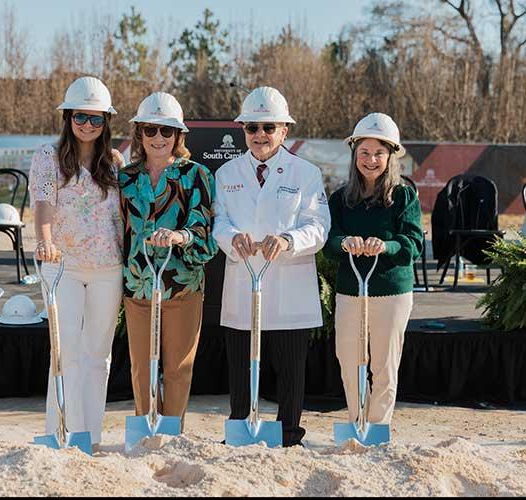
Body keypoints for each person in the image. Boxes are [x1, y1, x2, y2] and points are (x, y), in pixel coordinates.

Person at [212, 86, 331, 447]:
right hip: (243, 285)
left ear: (284, 131)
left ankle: (289, 436)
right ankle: (239, 430)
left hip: (290, 291)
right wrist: (231, 237)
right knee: (241, 370)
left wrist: (289, 241)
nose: (260, 135)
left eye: (269, 127)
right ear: (243, 130)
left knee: (291, 374)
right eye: (252, 128)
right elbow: (218, 221)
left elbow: (319, 226)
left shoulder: (306, 174)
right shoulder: (226, 173)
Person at [29, 76, 126, 452]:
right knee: (65, 350)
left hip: (107, 267)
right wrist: (45, 242)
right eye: (80, 117)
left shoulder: (114, 162)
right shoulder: (47, 157)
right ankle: (62, 432)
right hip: (62, 265)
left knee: (98, 354)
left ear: (106, 122)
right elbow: (43, 204)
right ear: (68, 117)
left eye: (96, 118)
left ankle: (91, 436)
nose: (87, 125)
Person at [119, 92, 218, 429]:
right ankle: (145, 429)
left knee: (177, 366)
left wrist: (180, 236)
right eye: (150, 130)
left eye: (166, 131)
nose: (158, 138)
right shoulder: (126, 178)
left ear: (178, 136)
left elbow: (205, 232)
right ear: (139, 134)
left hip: (182, 283)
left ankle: (172, 430)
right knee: (141, 366)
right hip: (138, 284)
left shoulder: (197, 175)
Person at [323, 112, 423, 428]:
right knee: (349, 361)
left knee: (384, 365)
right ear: (354, 155)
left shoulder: (404, 196)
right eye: (364, 152)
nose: (371, 159)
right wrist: (345, 243)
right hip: (351, 289)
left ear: (391, 156)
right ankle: (356, 422)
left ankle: (377, 427)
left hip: (391, 292)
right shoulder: (341, 198)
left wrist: (385, 246)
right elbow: (329, 242)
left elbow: (413, 244)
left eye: (379, 153)